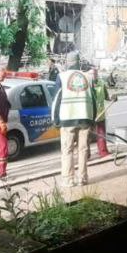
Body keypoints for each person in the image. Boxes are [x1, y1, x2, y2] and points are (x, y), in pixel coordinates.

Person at [51, 57, 96, 186]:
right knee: (83, 150)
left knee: (67, 150)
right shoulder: (88, 77)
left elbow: (56, 99)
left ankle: (68, 180)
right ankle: (83, 178)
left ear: (67, 63)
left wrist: (55, 120)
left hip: (67, 118)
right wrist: (93, 119)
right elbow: (93, 99)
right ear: (79, 63)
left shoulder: (62, 76)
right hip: (85, 118)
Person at [89, 68, 116, 159]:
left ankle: (103, 151)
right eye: (92, 73)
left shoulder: (101, 83)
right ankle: (86, 154)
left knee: (101, 133)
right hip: (89, 113)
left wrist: (112, 98)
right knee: (86, 135)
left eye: (95, 73)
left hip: (100, 113)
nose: (94, 75)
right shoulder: (86, 84)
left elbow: (106, 97)